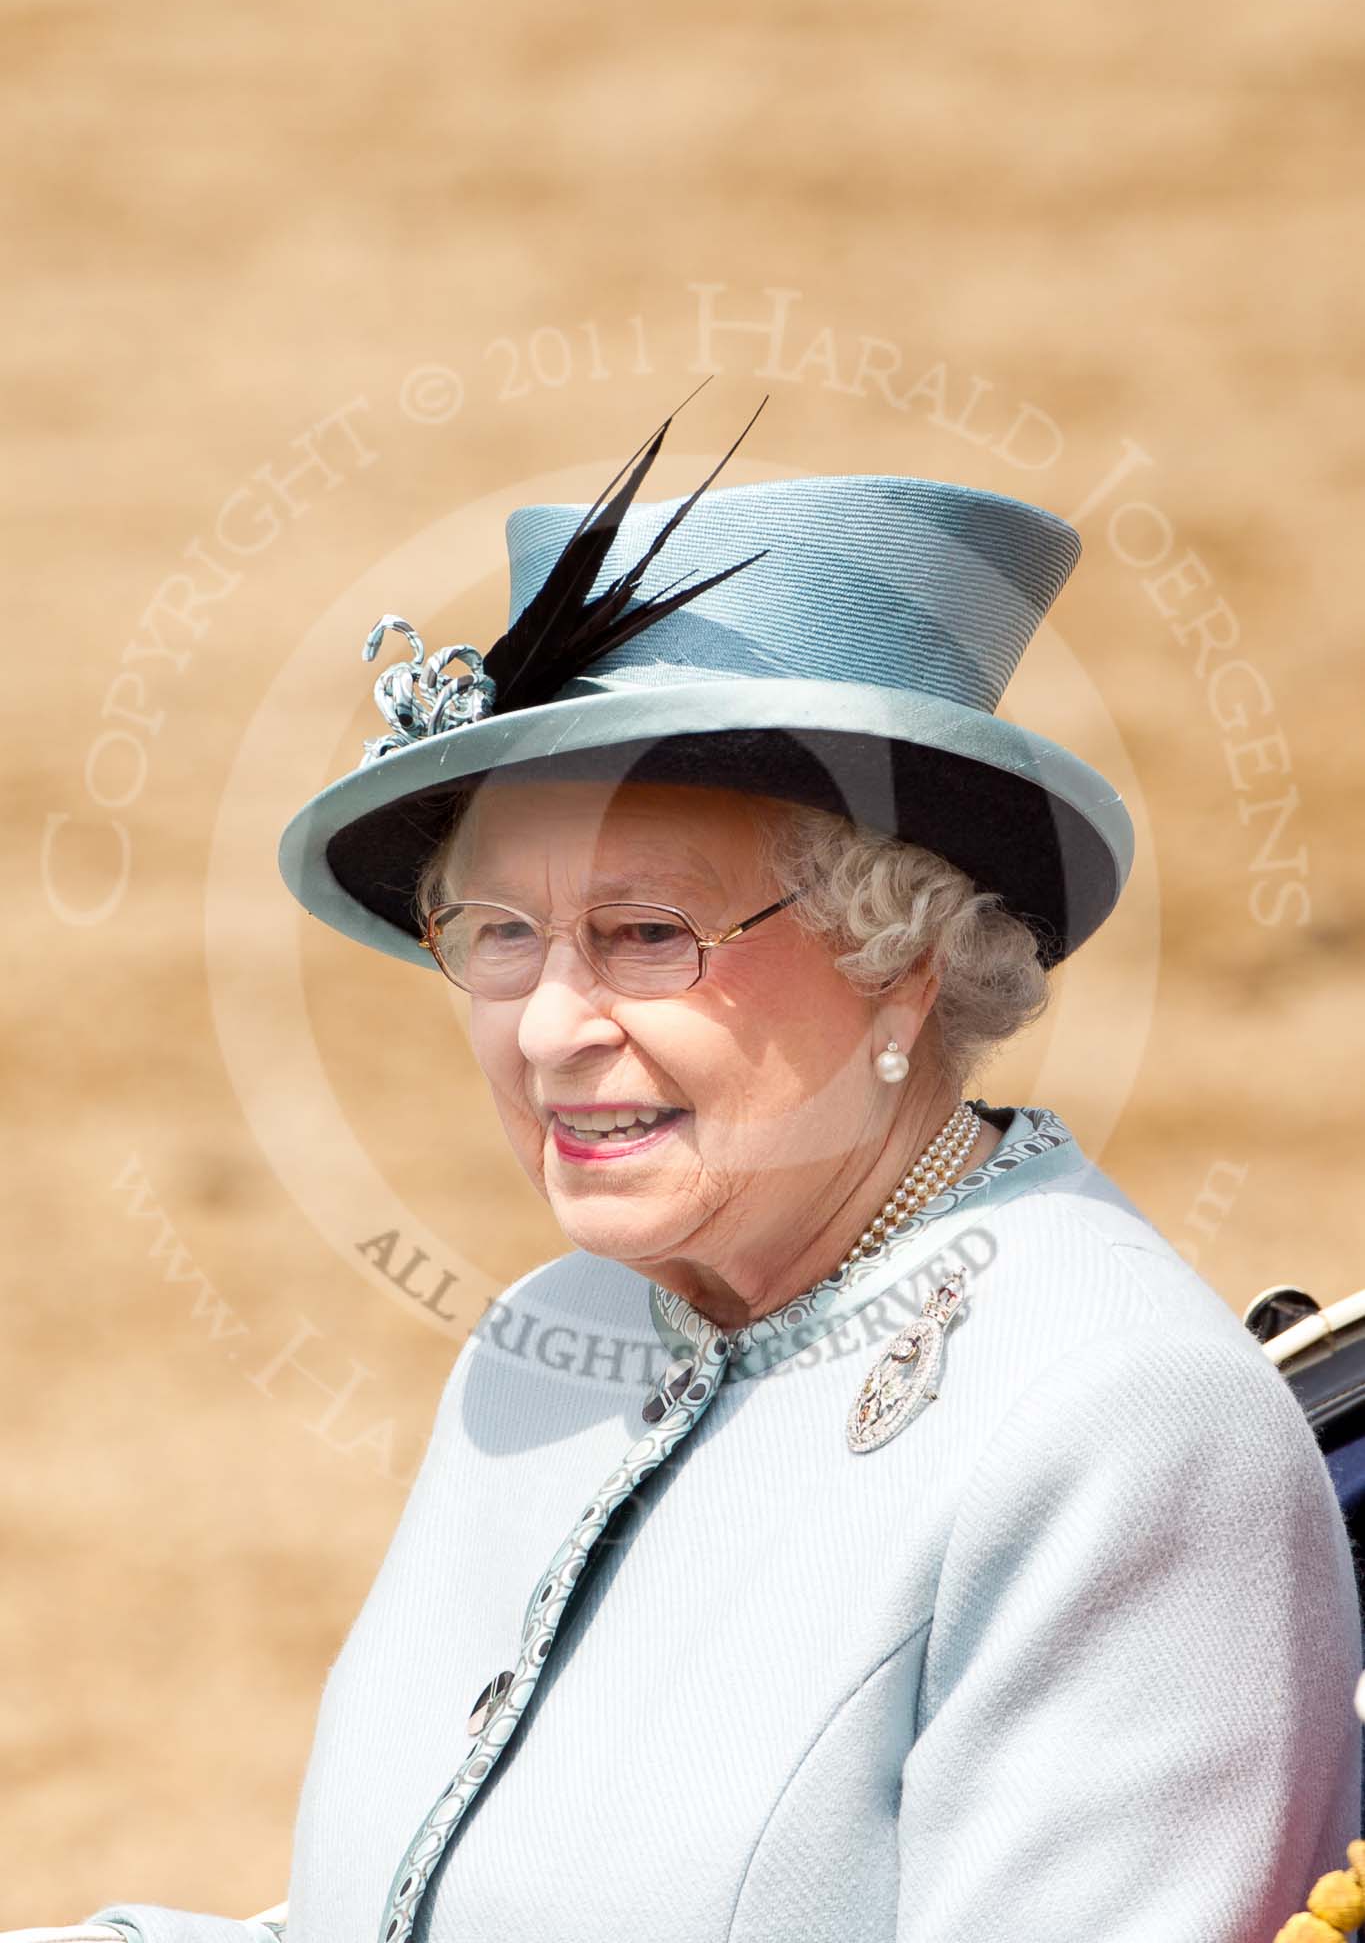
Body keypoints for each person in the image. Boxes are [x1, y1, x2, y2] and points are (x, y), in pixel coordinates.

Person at [72, 402, 1359, 1943]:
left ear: (902, 962)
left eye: (645, 936)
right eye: (499, 935)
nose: (548, 1024)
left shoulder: (1113, 1423)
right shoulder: (555, 1344)